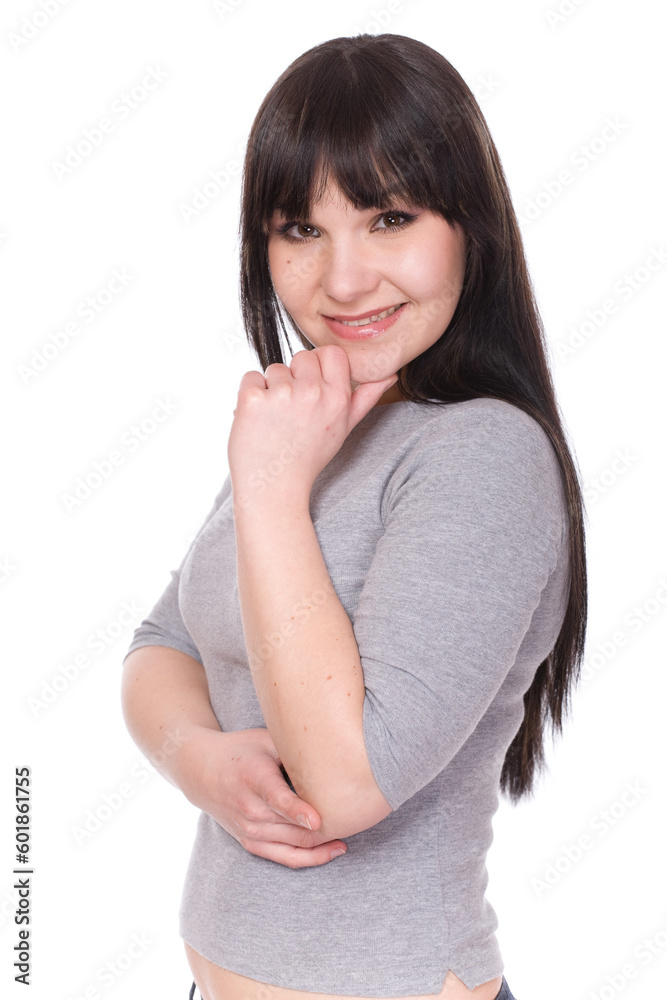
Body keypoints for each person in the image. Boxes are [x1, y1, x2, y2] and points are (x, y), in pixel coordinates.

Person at [121, 32, 587, 1000]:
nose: (341, 280)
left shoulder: (481, 452)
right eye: (300, 228)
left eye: (389, 218)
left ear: (471, 227)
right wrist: (202, 764)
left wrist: (268, 486)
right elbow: (162, 645)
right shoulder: (312, 423)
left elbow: (344, 784)